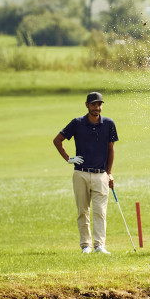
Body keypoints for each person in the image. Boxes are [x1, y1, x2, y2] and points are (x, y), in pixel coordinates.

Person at [53, 91, 117, 254]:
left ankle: (99, 245)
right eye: (94, 104)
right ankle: (86, 246)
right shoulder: (77, 123)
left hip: (101, 174)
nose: (97, 107)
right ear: (87, 105)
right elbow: (57, 140)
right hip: (80, 173)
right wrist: (68, 158)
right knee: (83, 211)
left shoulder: (109, 124)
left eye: (99, 104)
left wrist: (109, 173)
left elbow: (111, 149)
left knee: (100, 212)